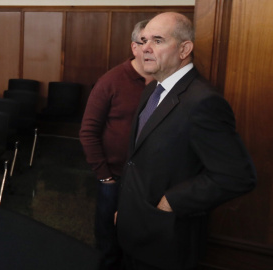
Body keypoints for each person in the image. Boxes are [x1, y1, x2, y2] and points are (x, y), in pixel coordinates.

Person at [115, 12, 256, 270]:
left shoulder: (203, 102)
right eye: (144, 40)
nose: (144, 48)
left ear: (184, 49)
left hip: (166, 239)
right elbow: (138, 159)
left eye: (157, 40)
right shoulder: (152, 89)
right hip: (135, 228)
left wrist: (171, 202)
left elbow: (237, 175)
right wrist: (126, 209)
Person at [79, 20, 153, 269]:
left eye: (159, 41)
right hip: (115, 178)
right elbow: (88, 132)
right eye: (145, 42)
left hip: (150, 181)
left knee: (143, 246)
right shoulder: (110, 81)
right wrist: (104, 178)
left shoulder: (167, 82)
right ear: (134, 47)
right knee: (108, 243)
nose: (151, 48)